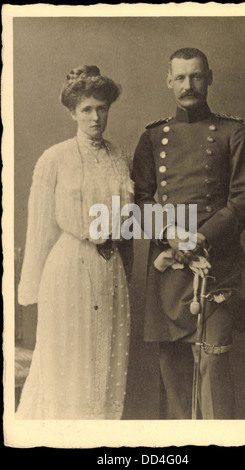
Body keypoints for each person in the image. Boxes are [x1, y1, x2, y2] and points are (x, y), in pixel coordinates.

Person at [132, 48, 245, 419]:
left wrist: (201, 238)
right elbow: (139, 200)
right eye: (181, 77)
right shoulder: (153, 136)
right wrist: (172, 235)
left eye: (196, 76)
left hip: (215, 263)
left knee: (214, 369)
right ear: (168, 81)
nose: (189, 85)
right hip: (168, 269)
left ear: (209, 78)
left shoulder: (233, 132)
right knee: (172, 374)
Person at [16, 65, 134, 419]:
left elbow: (127, 226)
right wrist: (31, 290)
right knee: (69, 364)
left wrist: (126, 272)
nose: (96, 117)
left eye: (102, 108)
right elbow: (39, 229)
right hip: (68, 270)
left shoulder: (119, 157)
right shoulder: (54, 158)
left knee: (106, 364)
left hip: (111, 272)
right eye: (87, 109)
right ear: (72, 112)